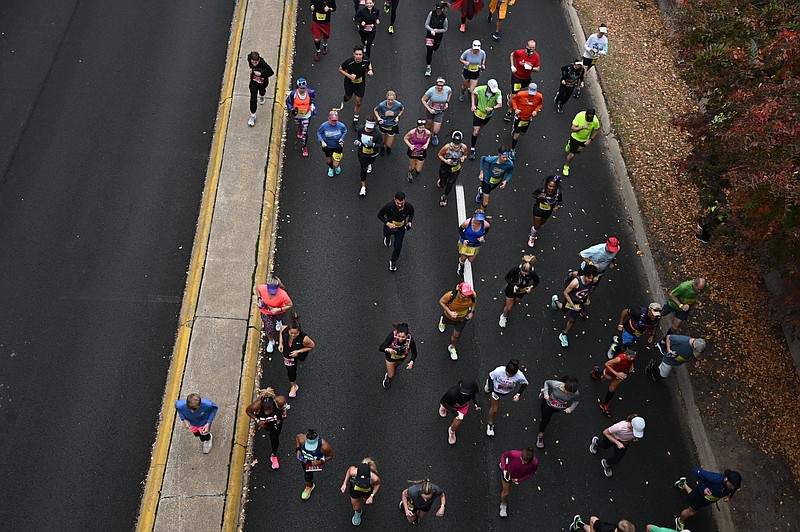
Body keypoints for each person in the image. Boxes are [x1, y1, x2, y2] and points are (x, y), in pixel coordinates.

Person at [673, 468, 741, 531]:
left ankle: (683, 484)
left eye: (734, 487)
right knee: (691, 511)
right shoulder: (714, 478)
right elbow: (696, 471)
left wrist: (729, 496)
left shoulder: (734, 486)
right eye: (731, 486)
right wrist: (704, 487)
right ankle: (679, 521)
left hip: (708, 500)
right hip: (700, 496)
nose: (732, 488)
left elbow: (733, 490)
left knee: (694, 504)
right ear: (726, 479)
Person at [551, 264, 597, 347]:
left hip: (580, 302)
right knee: (563, 309)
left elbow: (588, 291)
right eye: (589, 278)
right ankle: (556, 301)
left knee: (572, 320)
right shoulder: (576, 282)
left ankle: (564, 334)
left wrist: (587, 299)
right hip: (571, 301)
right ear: (585, 275)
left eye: (592, 278)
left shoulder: (592, 281)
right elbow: (565, 293)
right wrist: (573, 305)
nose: (590, 280)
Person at [245, 387, 289, 469]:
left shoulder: (279, 401)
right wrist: (257, 420)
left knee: (274, 438)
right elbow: (248, 411)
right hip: (265, 425)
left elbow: (284, 404)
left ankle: (274, 455)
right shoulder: (256, 406)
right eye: (265, 407)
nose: (267, 409)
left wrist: (284, 412)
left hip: (276, 424)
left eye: (269, 406)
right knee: (269, 431)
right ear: (261, 403)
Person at [484, 359, 528, 436]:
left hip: (505, 392)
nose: (507, 377)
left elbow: (524, 383)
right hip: (495, 390)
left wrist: (518, 394)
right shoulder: (499, 371)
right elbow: (491, 378)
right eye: (506, 374)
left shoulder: (520, 375)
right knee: (494, 409)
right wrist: (492, 392)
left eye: (510, 376)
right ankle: (490, 424)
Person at [278, 312, 316, 398]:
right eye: (291, 333)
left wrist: (298, 351)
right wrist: (280, 344)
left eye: (296, 334)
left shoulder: (305, 339)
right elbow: (280, 332)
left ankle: (299, 358)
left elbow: (312, 346)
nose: (293, 335)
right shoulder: (284, 329)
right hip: (288, 356)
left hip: (299, 352)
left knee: (302, 359)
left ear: (299, 332)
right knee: (291, 371)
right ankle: (294, 386)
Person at [591, 347, 637, 417]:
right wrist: (616, 373)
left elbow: (631, 361)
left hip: (621, 374)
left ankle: (605, 404)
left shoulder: (631, 357)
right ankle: (596, 372)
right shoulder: (619, 359)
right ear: (626, 354)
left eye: (634, 357)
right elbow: (607, 364)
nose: (632, 359)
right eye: (631, 357)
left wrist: (631, 366)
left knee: (612, 389)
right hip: (611, 372)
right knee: (603, 379)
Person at [536, 376, 579, 448]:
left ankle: (543, 392)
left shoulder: (575, 393)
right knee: (545, 420)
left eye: (569, 394)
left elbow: (576, 401)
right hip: (548, 405)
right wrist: (546, 394)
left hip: (558, 408)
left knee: (550, 415)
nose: (567, 394)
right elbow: (546, 382)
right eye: (566, 391)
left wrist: (571, 408)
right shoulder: (557, 385)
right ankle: (540, 435)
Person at [437, 282, 476, 360]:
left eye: (468, 295)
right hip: (449, 317)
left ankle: (452, 347)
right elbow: (441, 302)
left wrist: (472, 312)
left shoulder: (472, 295)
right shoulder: (450, 296)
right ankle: (442, 321)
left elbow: (474, 302)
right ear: (459, 291)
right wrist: (449, 312)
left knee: (457, 335)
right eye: (464, 295)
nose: (466, 297)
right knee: (445, 321)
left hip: (462, 319)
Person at [504, 40, 540, 122]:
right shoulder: (520, 53)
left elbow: (537, 69)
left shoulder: (536, 56)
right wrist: (512, 66)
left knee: (521, 89)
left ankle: (510, 96)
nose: (531, 49)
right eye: (530, 47)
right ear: (526, 46)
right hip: (517, 77)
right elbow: (512, 55)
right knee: (514, 95)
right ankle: (509, 111)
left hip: (526, 78)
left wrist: (531, 68)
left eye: (533, 48)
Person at [499, 254, 539, 328]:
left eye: (526, 274)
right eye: (523, 273)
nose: (524, 275)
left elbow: (536, 281)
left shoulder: (532, 274)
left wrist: (531, 287)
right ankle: (503, 316)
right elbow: (507, 278)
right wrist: (513, 285)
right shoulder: (515, 270)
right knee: (509, 307)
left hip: (521, 291)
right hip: (511, 289)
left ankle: (508, 307)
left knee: (515, 303)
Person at [378, 191, 414, 271]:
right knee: (386, 234)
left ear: (404, 200)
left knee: (398, 247)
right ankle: (387, 238)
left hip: (400, 229)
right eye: (398, 203)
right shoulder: (389, 206)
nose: (400, 205)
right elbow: (380, 215)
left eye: (402, 203)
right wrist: (387, 223)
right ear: (394, 199)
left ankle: (393, 261)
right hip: (389, 227)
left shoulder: (408, 206)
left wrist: (410, 221)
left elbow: (411, 212)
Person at [257, 275, 293, 353]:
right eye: (270, 291)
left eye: (274, 292)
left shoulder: (283, 294)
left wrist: (278, 309)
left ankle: (278, 321)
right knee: (268, 327)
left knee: (279, 317)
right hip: (266, 311)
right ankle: (271, 341)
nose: (272, 294)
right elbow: (258, 289)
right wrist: (260, 299)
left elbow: (290, 305)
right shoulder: (262, 288)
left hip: (279, 311)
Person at [340, 458, 382, 526]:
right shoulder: (353, 472)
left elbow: (378, 484)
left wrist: (371, 496)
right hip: (355, 489)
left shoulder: (374, 478)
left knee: (365, 501)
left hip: (367, 491)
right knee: (356, 507)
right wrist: (345, 483)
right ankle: (358, 512)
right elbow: (349, 470)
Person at [498, 447, 538, 518]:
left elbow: (531, 473)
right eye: (521, 460)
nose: (522, 463)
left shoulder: (535, 463)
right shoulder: (515, 454)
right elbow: (504, 455)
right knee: (506, 492)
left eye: (525, 463)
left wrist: (520, 480)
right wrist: (504, 469)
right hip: (508, 473)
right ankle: (503, 505)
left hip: (516, 477)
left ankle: (505, 464)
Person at [338, 47, 373, 127]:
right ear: (354, 54)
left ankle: (355, 120)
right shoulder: (348, 62)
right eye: (356, 54)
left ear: (362, 55)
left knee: (358, 102)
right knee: (348, 96)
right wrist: (349, 76)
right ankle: (346, 97)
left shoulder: (365, 60)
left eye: (360, 54)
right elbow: (340, 69)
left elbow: (369, 63)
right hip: (349, 83)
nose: (358, 56)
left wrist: (370, 70)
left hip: (360, 83)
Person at [439, 378, 481, 444]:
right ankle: (443, 408)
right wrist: (453, 411)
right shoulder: (452, 392)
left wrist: (476, 403)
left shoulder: (472, 390)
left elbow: (473, 396)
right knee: (445, 405)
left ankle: (451, 430)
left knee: (459, 419)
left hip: (463, 407)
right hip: (451, 404)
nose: (464, 393)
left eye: (467, 392)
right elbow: (443, 401)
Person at [295, 429, 334, 500]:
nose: (311, 449)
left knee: (308, 475)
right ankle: (310, 486)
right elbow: (297, 437)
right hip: (305, 461)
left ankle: (309, 485)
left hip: (316, 461)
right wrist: (298, 450)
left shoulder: (325, 446)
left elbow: (330, 456)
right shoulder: (301, 439)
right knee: (307, 474)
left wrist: (320, 462)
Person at [378, 322, 418, 389]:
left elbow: (414, 352)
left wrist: (412, 362)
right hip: (390, 357)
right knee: (391, 374)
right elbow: (380, 348)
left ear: (407, 335)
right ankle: (387, 377)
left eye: (403, 337)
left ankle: (393, 368)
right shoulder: (392, 336)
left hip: (401, 357)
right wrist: (388, 349)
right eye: (399, 336)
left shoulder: (410, 340)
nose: (400, 339)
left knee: (396, 366)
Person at [563, 107, 600, 176]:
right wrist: (582, 127)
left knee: (578, 151)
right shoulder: (580, 115)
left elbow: (597, 130)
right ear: (585, 114)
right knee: (572, 155)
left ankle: (569, 143)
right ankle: (566, 166)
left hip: (584, 140)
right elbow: (572, 129)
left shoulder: (595, 121)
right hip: (575, 138)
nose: (589, 120)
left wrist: (590, 140)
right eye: (588, 118)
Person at [469, 79, 502, 157]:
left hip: (488, 115)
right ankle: (472, 148)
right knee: (476, 131)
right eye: (491, 89)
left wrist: (493, 108)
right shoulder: (480, 89)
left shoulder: (498, 93)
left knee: (481, 127)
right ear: (488, 87)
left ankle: (478, 130)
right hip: (478, 113)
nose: (493, 91)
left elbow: (500, 104)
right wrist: (473, 104)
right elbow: (473, 93)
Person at [285, 78, 317, 157]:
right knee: (299, 125)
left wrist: (312, 106)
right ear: (297, 87)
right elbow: (288, 102)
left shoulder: (310, 92)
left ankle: (304, 147)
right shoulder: (293, 94)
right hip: (297, 115)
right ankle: (300, 129)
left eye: (304, 88)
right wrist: (292, 109)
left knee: (305, 132)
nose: (302, 90)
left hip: (306, 115)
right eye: (301, 88)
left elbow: (312, 100)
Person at [528, 175, 563, 247]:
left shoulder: (558, 193)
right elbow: (533, 195)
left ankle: (534, 229)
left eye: (553, 187)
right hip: (538, 209)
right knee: (537, 226)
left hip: (548, 211)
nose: (551, 188)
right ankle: (532, 236)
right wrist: (539, 196)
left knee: (541, 223)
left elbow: (560, 202)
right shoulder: (541, 190)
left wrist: (557, 207)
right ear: (547, 184)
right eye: (550, 186)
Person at [436, 130, 468, 207]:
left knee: (450, 183)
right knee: (443, 184)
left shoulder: (464, 147)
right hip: (445, 166)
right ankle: (441, 182)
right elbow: (439, 154)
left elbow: (465, 155)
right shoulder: (447, 147)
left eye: (458, 143)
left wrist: (463, 157)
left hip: (456, 167)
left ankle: (444, 196)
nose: (456, 145)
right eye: (454, 143)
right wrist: (446, 161)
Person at [354, 115, 384, 195]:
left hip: (373, 153)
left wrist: (373, 145)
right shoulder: (360, 129)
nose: (369, 129)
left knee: (370, 161)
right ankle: (363, 187)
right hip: (362, 153)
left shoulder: (378, 133)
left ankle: (370, 164)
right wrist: (358, 142)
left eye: (371, 127)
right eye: (368, 127)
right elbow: (358, 138)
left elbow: (380, 145)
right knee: (363, 169)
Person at [509, 82, 542, 153]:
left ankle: (516, 130)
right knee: (516, 136)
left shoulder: (539, 96)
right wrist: (516, 108)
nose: (531, 95)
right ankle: (512, 149)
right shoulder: (521, 94)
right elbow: (514, 100)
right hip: (519, 117)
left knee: (523, 133)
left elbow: (540, 104)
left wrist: (536, 111)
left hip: (528, 118)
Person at [457, 208, 490, 276]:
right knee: (463, 258)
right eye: (477, 220)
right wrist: (464, 239)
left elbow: (486, 231)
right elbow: (460, 230)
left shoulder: (486, 225)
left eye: (480, 220)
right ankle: (461, 265)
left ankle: (463, 261)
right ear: (474, 217)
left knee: (471, 260)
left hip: (476, 244)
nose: (478, 222)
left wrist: (482, 236)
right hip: (466, 243)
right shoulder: (467, 223)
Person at [579, 24, 609, 96]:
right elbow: (585, 45)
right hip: (587, 56)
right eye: (601, 32)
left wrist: (598, 52)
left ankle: (580, 77)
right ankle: (579, 86)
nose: (602, 34)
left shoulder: (605, 40)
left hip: (594, 58)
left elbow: (605, 51)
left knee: (586, 71)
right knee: (584, 70)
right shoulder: (592, 37)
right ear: (598, 30)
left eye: (603, 33)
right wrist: (590, 50)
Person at [246, 51, 275, 127]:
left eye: (256, 63)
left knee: (262, 92)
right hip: (253, 83)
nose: (254, 64)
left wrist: (261, 74)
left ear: (258, 60)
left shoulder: (263, 64)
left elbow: (271, 73)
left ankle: (262, 96)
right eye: (253, 62)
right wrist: (251, 70)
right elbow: (250, 63)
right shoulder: (249, 59)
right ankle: (253, 115)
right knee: (253, 99)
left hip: (262, 83)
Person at [422, 78, 452, 146]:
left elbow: (450, 93)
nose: (440, 87)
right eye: (438, 85)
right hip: (431, 111)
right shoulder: (431, 91)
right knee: (429, 126)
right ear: (436, 85)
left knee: (436, 130)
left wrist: (447, 102)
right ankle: (427, 135)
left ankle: (434, 136)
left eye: (442, 86)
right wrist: (429, 109)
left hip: (440, 112)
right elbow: (423, 100)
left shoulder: (447, 89)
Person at [317, 110, 348, 177]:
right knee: (329, 161)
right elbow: (319, 133)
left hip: (337, 146)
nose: (334, 122)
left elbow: (345, 131)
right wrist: (322, 141)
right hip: (327, 146)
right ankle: (331, 168)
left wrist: (342, 138)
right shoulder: (324, 126)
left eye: (335, 120)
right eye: (332, 120)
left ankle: (337, 166)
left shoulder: (341, 126)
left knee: (336, 164)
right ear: (329, 119)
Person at [374, 90, 405, 155]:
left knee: (389, 144)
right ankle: (382, 148)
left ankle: (388, 148)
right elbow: (375, 110)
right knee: (382, 141)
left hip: (392, 125)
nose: (390, 101)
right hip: (383, 125)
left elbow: (402, 109)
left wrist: (398, 117)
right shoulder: (382, 105)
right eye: (389, 99)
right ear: (386, 98)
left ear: (394, 99)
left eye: (392, 100)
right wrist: (379, 118)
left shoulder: (398, 104)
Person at [424, 2, 450, 77]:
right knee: (429, 51)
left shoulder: (444, 18)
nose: (438, 12)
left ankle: (434, 48)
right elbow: (426, 24)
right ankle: (428, 67)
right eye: (437, 10)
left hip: (438, 37)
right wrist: (431, 30)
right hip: (430, 35)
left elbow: (445, 29)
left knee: (435, 48)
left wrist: (437, 31)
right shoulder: (431, 14)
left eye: (440, 10)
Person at [570, 515, 636, 532]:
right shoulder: (604, 528)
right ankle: (579, 524)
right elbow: (592, 519)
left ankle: (579, 523)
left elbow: (593, 519)